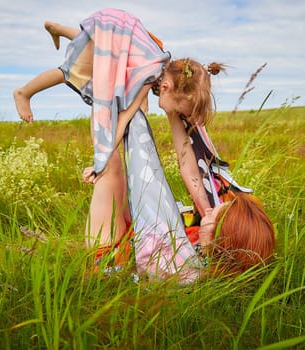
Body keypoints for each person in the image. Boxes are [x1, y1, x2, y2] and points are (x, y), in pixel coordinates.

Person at [14, 8, 274, 280]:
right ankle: (74, 36)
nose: (212, 211)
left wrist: (100, 158)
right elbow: (189, 169)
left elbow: (123, 118)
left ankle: (43, 75)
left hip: (112, 250)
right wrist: (175, 115)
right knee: (102, 65)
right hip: (135, 228)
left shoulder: (188, 269)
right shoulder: (212, 238)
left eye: (217, 218)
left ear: (222, 244)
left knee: (111, 159)